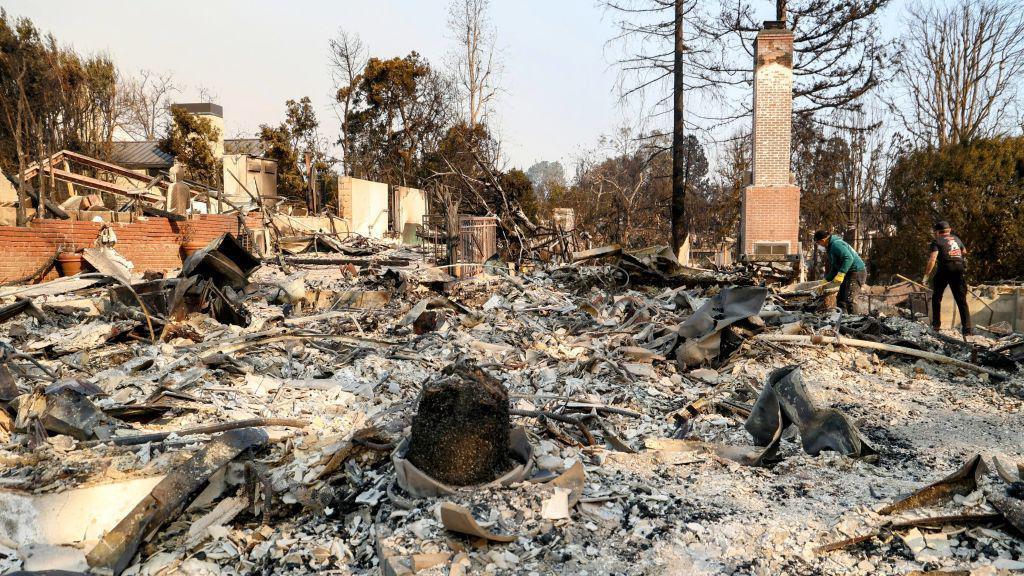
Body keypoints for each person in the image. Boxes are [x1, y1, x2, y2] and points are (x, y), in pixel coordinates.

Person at [923, 221, 972, 336]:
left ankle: (936, 325)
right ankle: (967, 330)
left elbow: (932, 259)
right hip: (959, 269)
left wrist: (926, 276)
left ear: (937, 232)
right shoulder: (956, 238)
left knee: (937, 297)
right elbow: (964, 251)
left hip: (945, 269)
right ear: (949, 230)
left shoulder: (936, 241)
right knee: (961, 300)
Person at [814, 230, 866, 314]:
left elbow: (848, 258)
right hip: (849, 273)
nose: (819, 245)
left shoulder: (836, 244)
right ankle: (843, 321)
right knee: (841, 300)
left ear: (822, 240)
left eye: (818, 243)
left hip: (856, 272)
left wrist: (841, 273)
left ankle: (857, 321)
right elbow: (835, 268)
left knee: (849, 300)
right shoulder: (830, 247)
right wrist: (825, 281)